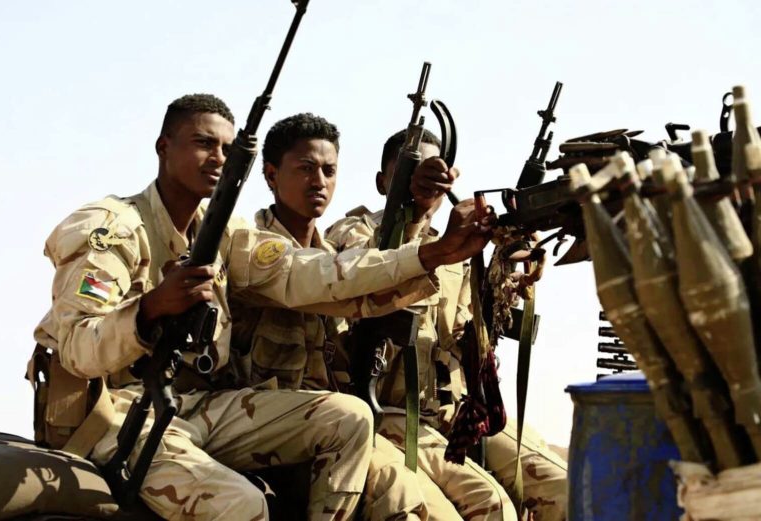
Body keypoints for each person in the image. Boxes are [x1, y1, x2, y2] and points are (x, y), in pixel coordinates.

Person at [32, 94, 494, 521]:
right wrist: (150, 309)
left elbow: (311, 273)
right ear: (163, 147)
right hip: (124, 411)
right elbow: (76, 348)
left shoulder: (225, 236)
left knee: (350, 416)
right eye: (203, 143)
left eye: (227, 149)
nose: (217, 158)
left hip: (201, 405)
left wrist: (430, 253)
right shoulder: (113, 228)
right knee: (242, 504)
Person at [230, 112, 472, 521]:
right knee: (400, 496)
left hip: (337, 424)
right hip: (267, 425)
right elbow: (337, 277)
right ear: (271, 175)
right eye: (305, 169)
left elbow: (368, 276)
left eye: (329, 171)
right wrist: (425, 239)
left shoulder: (331, 255)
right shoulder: (253, 251)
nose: (318, 182)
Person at [326, 129, 569, 521]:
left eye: (434, 174)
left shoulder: (456, 251)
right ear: (383, 182)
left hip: (451, 413)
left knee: (564, 488)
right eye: (411, 174)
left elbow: (469, 337)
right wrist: (415, 218)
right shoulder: (353, 232)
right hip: (387, 412)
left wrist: (504, 275)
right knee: (491, 507)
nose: (425, 184)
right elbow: (366, 271)